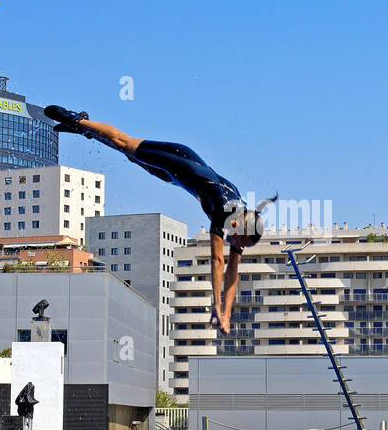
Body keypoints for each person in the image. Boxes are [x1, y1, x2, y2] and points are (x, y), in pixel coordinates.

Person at [46, 105, 274, 335]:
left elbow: (233, 272)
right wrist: (216, 304)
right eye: (238, 242)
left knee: (132, 158)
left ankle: (89, 132)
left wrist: (226, 313)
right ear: (235, 225)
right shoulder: (223, 210)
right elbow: (217, 260)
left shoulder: (242, 219)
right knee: (124, 143)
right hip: (179, 159)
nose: (236, 246)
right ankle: (79, 121)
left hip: (177, 177)